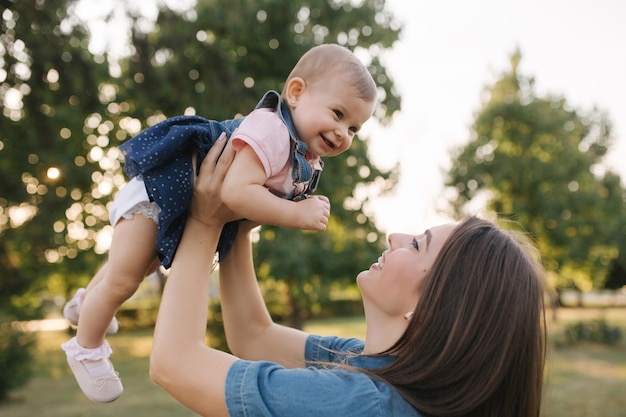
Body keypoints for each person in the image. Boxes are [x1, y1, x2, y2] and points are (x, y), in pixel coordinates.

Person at [61, 43, 377, 403]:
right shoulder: (272, 129)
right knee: (124, 278)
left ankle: (88, 306)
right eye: (337, 114)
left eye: (354, 128)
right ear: (296, 93)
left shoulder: (302, 155)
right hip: (157, 194)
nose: (343, 133)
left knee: (139, 265)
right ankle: (86, 347)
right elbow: (235, 192)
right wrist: (295, 213)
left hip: (178, 203)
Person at [149, 138, 548, 417]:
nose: (396, 237)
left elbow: (174, 363)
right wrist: (240, 214)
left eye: (418, 245)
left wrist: (204, 221)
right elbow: (254, 337)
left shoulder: (360, 404)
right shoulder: (380, 367)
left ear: (434, 304)